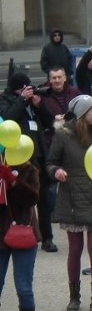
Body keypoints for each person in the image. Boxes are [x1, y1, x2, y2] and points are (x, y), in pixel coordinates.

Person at [46, 95, 92, 311]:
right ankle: (74, 296)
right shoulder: (63, 135)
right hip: (71, 198)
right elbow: (51, 162)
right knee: (74, 249)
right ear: (82, 113)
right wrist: (56, 172)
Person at [0, 73, 55, 255]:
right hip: (19, 160)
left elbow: (50, 122)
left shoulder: (33, 101)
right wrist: (22, 100)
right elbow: (8, 118)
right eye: (24, 88)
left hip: (38, 155)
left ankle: (47, 238)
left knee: (44, 200)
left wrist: (39, 105)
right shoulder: (5, 100)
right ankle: (19, 234)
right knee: (23, 199)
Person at [0, 143, 40, 311]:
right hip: (1, 235)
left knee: (24, 288)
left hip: (23, 233)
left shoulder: (30, 170)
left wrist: (13, 181)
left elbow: (33, 198)